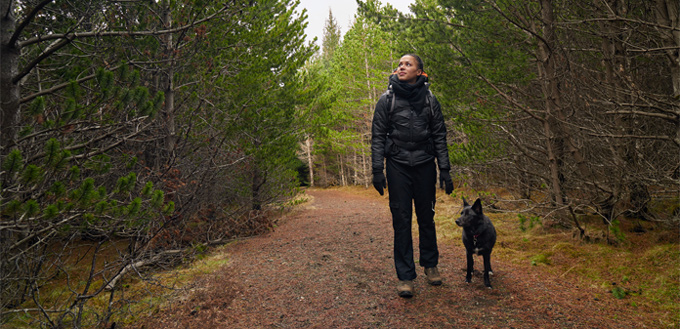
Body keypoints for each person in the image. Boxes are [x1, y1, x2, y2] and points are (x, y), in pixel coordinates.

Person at [371, 54, 453, 298]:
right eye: (400, 64)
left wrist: (445, 169)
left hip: (425, 164)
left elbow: (439, 135)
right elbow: (377, 137)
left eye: (408, 64)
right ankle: (405, 277)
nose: (402, 67)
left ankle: (430, 265)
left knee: (426, 217)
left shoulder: (430, 100)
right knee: (402, 219)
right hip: (397, 166)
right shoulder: (387, 100)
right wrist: (377, 170)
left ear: (419, 72)